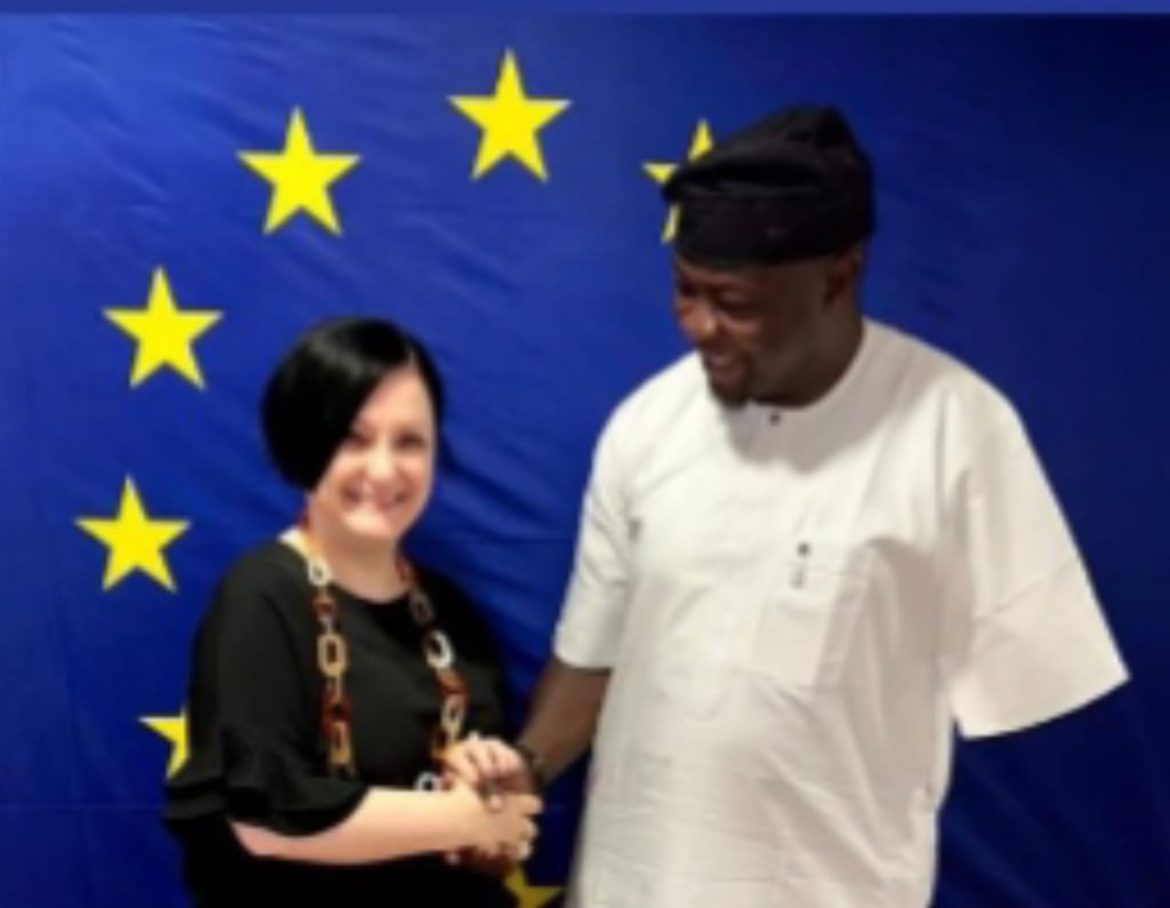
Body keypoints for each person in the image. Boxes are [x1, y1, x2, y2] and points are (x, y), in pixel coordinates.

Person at [446, 105, 1129, 908]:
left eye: (733, 302)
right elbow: (598, 655)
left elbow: (1035, 683)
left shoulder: (959, 432)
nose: (699, 326)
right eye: (684, 290)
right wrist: (525, 772)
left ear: (838, 276)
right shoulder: (646, 424)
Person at [164, 317, 541, 908]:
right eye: (353, 439)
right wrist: (461, 818)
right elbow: (263, 817)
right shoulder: (260, 597)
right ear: (304, 446)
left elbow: (493, 836)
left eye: (409, 441)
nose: (384, 470)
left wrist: (491, 791)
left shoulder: (451, 611)